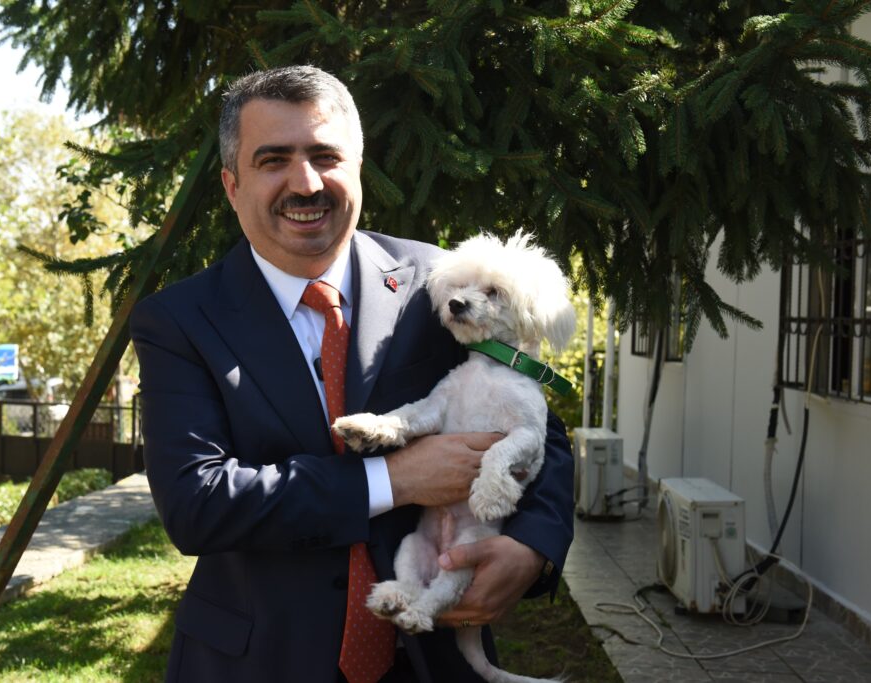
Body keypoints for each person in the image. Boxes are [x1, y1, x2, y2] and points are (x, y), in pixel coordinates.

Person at [130, 65, 574, 683]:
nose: (306, 183)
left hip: (433, 660)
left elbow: (535, 421)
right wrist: (393, 478)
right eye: (273, 160)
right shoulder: (179, 321)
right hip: (259, 661)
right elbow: (197, 502)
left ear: (357, 167)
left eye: (325, 156)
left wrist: (533, 547)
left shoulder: (441, 282)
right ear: (232, 185)